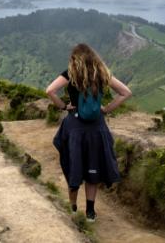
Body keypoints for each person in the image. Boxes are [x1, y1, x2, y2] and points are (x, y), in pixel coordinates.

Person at [45, 44, 132, 222]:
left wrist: (63, 106)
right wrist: (106, 109)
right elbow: (125, 92)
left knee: (74, 165)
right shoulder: (102, 73)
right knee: (93, 168)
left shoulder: (70, 73)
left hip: (75, 126)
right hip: (97, 128)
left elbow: (50, 91)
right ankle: (90, 212)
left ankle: (73, 207)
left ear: (75, 58)